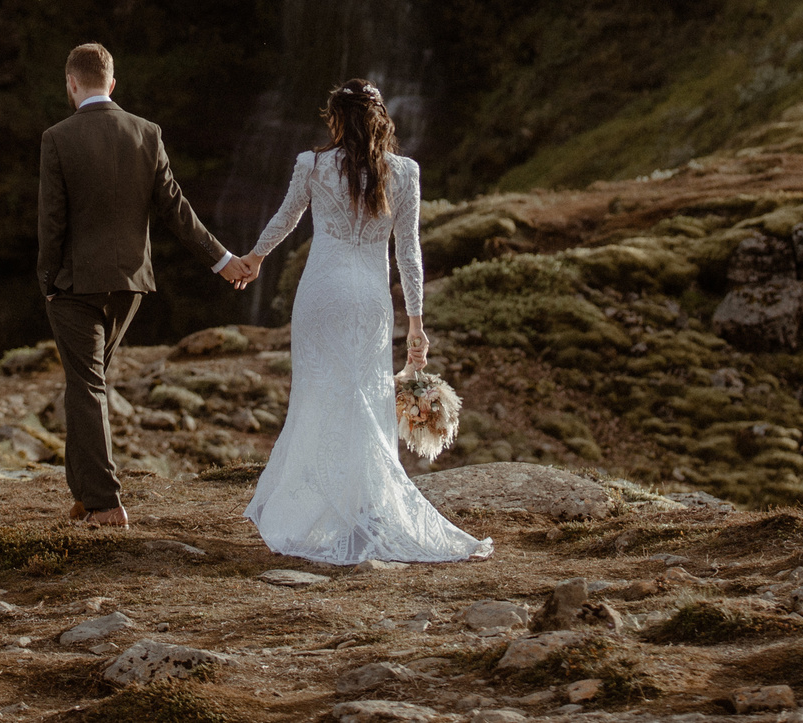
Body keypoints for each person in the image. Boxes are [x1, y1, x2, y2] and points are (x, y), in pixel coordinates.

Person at [223, 78, 491, 563]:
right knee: (365, 397)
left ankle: (314, 513)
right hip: (370, 301)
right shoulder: (404, 172)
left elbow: (286, 218)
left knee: (318, 395)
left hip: (321, 296)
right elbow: (408, 254)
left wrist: (256, 256)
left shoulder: (313, 165)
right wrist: (417, 323)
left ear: (335, 120)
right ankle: (366, 512)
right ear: (380, 121)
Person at [37, 42, 238, 528]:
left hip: (74, 284)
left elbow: (52, 221)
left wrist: (47, 281)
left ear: (71, 84)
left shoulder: (57, 138)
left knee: (86, 387)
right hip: (130, 284)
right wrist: (223, 259)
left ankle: (106, 503)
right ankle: (85, 494)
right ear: (112, 82)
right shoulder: (147, 133)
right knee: (90, 386)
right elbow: (176, 209)